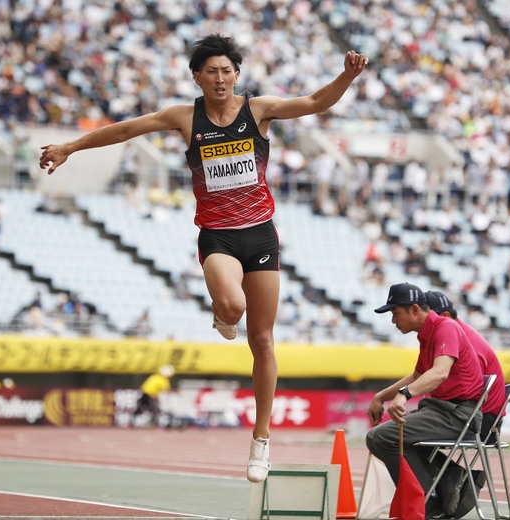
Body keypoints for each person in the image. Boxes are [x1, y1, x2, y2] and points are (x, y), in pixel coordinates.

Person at [38, 32, 369, 483]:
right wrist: (70, 147)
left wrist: (346, 77)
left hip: (260, 235)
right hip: (218, 237)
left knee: (264, 341)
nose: (220, 78)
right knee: (233, 307)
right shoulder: (183, 117)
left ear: (237, 75)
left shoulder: (258, 110)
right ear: (197, 77)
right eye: (211, 71)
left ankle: (261, 437)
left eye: (227, 71)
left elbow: (314, 101)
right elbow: (127, 129)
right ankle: (222, 313)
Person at [366, 283, 484, 518]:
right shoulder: (428, 333)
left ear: (415, 310)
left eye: (395, 313)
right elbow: (419, 375)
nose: (393, 321)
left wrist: (404, 394)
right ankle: (448, 477)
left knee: (380, 437)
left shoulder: (445, 327)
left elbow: (439, 372)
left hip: (459, 415)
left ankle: (427, 497)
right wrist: (381, 396)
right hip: (444, 410)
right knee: (389, 437)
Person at [425, 290, 507, 518]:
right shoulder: (457, 334)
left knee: (404, 435)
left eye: (426, 314)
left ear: (443, 315)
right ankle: (448, 479)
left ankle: (447, 478)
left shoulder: (462, 339)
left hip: (481, 422)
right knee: (411, 430)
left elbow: (470, 393)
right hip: (479, 416)